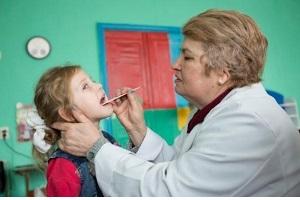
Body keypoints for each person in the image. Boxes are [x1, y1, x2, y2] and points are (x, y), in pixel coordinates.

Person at [51, 9, 300, 196]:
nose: (175, 64)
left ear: (223, 72)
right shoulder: (213, 110)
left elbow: (172, 191)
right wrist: (138, 130)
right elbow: (179, 165)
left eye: (187, 56)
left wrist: (96, 148)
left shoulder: (248, 122)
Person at [27, 65, 117, 196]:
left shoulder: (107, 139)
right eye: (85, 86)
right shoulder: (63, 167)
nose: (98, 85)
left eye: (92, 81)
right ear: (68, 113)